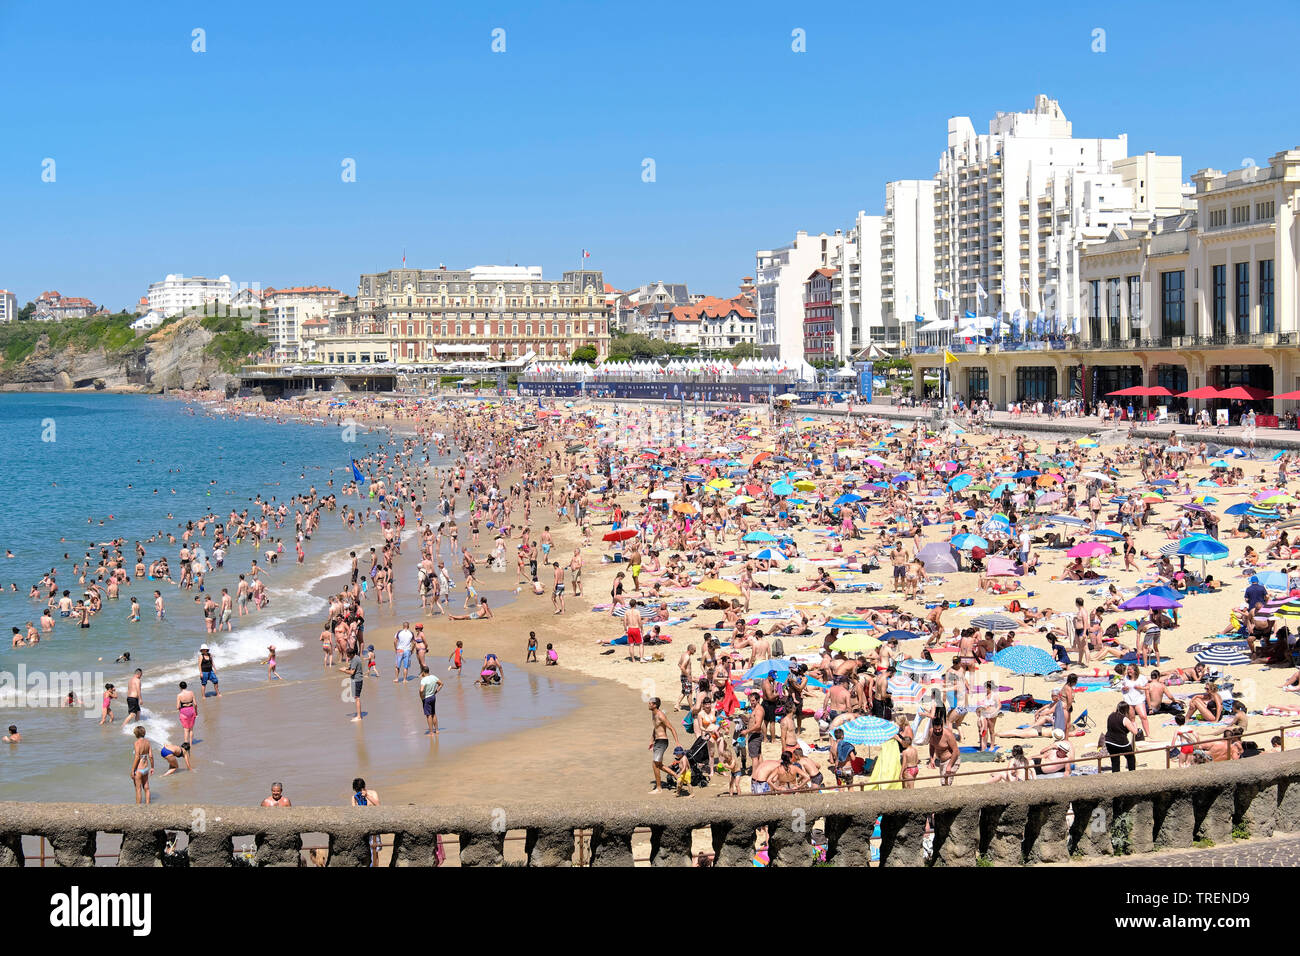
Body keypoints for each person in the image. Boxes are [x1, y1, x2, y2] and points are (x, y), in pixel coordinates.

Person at [648, 696, 680, 794]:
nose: (648, 704)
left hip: (662, 741)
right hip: (657, 741)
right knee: (658, 764)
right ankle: (677, 776)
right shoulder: (653, 714)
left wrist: (677, 742)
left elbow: (672, 728)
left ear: (655, 705)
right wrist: (652, 739)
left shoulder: (660, 715)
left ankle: (659, 788)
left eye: (650, 703)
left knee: (655, 764)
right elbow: (656, 728)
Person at [1104, 701, 1139, 772]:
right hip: (1121, 743)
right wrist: (1133, 722)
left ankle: (1116, 776)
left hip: (1109, 741)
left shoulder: (1111, 715)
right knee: (1131, 757)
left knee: (1115, 761)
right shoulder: (1124, 719)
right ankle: (1132, 773)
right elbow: (1135, 732)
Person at [130, 726, 153, 805]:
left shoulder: (137, 743)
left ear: (136, 734)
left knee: (138, 789)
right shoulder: (148, 742)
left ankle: (138, 807)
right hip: (146, 768)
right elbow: (150, 756)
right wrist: (152, 767)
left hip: (139, 769)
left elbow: (137, 757)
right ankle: (147, 805)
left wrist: (133, 770)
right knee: (146, 788)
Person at [418, 664, 442, 735]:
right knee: (433, 713)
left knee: (428, 715)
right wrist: (436, 691)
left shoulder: (423, 680)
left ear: (423, 672)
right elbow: (441, 684)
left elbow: (421, 690)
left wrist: (420, 695)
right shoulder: (433, 677)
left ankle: (431, 732)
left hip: (426, 698)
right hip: (433, 696)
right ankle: (437, 730)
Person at [176, 680, 199, 747]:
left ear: (180, 687)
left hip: (184, 712)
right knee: (191, 729)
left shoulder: (179, 695)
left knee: (186, 729)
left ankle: (186, 744)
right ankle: (191, 744)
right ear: (186, 686)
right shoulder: (191, 693)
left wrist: (181, 709)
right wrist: (196, 712)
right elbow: (195, 704)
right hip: (191, 711)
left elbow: (177, 707)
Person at [346, 645, 364, 722]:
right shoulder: (356, 657)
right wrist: (347, 668)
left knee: (357, 698)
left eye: (348, 655)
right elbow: (352, 669)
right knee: (357, 698)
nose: (347, 657)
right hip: (358, 680)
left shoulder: (354, 660)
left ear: (352, 654)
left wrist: (343, 671)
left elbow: (352, 672)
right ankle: (358, 715)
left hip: (357, 680)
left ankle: (359, 717)